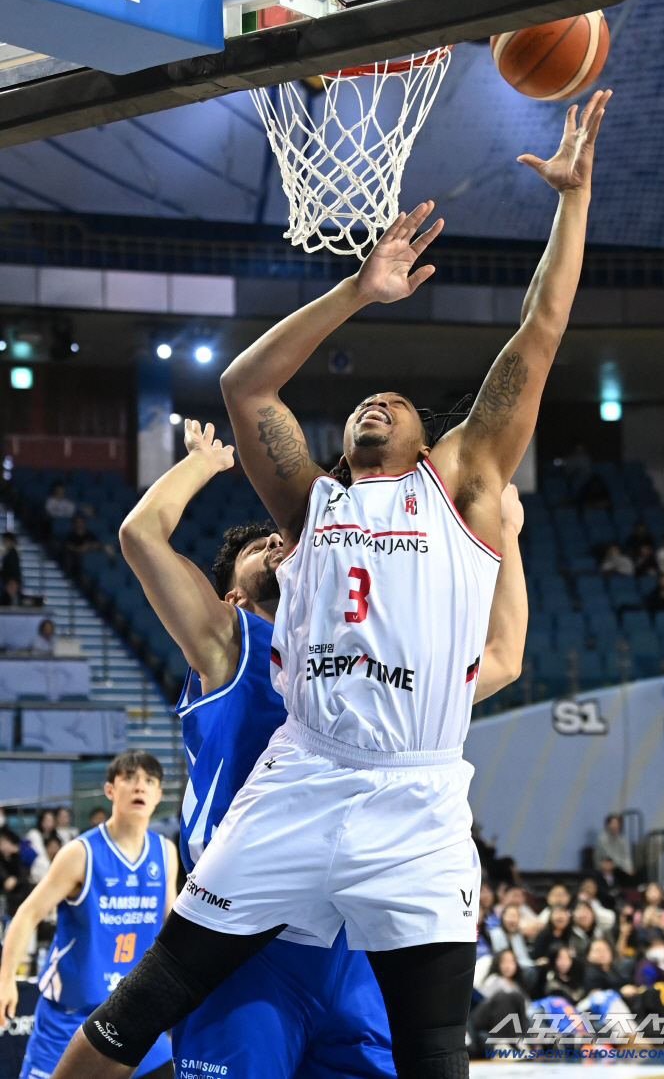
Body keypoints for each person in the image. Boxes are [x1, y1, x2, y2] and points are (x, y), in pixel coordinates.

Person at [55, 88, 611, 1079]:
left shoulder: (467, 483)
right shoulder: (311, 508)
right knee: (141, 1007)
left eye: (390, 403)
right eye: (358, 405)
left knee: (436, 1060)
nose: (372, 408)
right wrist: (358, 289)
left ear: (429, 439)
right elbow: (244, 389)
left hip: (417, 803)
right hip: (302, 782)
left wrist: (570, 201)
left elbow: (540, 329)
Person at [117, 419, 529, 1079]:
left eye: (285, 536)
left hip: (352, 939)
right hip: (247, 939)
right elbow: (140, 533)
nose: (280, 539)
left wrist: (503, 529)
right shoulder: (233, 641)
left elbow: (502, 657)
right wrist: (200, 462)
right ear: (233, 595)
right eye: (260, 549)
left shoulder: (371, 665)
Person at [0, 750, 178, 1079]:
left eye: (149, 781)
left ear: (158, 795)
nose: (140, 787)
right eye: (130, 779)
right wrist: (5, 981)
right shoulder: (80, 854)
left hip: (133, 1012)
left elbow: (175, 928)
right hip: (71, 1016)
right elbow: (26, 915)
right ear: (110, 790)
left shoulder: (166, 853)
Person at [0, 827, 32, 916]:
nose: (4, 846)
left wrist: (16, 880)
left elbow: (22, 877)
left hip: (19, 892)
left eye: (7, 842)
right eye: (2, 843)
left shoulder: (16, 858)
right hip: (4, 894)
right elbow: (7, 883)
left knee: (30, 887)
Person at [594, 814, 633, 878]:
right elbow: (608, 856)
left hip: (620, 866)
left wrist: (629, 867)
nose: (615, 826)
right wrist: (621, 866)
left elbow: (626, 856)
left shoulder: (622, 839)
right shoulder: (602, 839)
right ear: (608, 824)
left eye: (617, 823)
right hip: (605, 865)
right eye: (613, 823)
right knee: (608, 866)